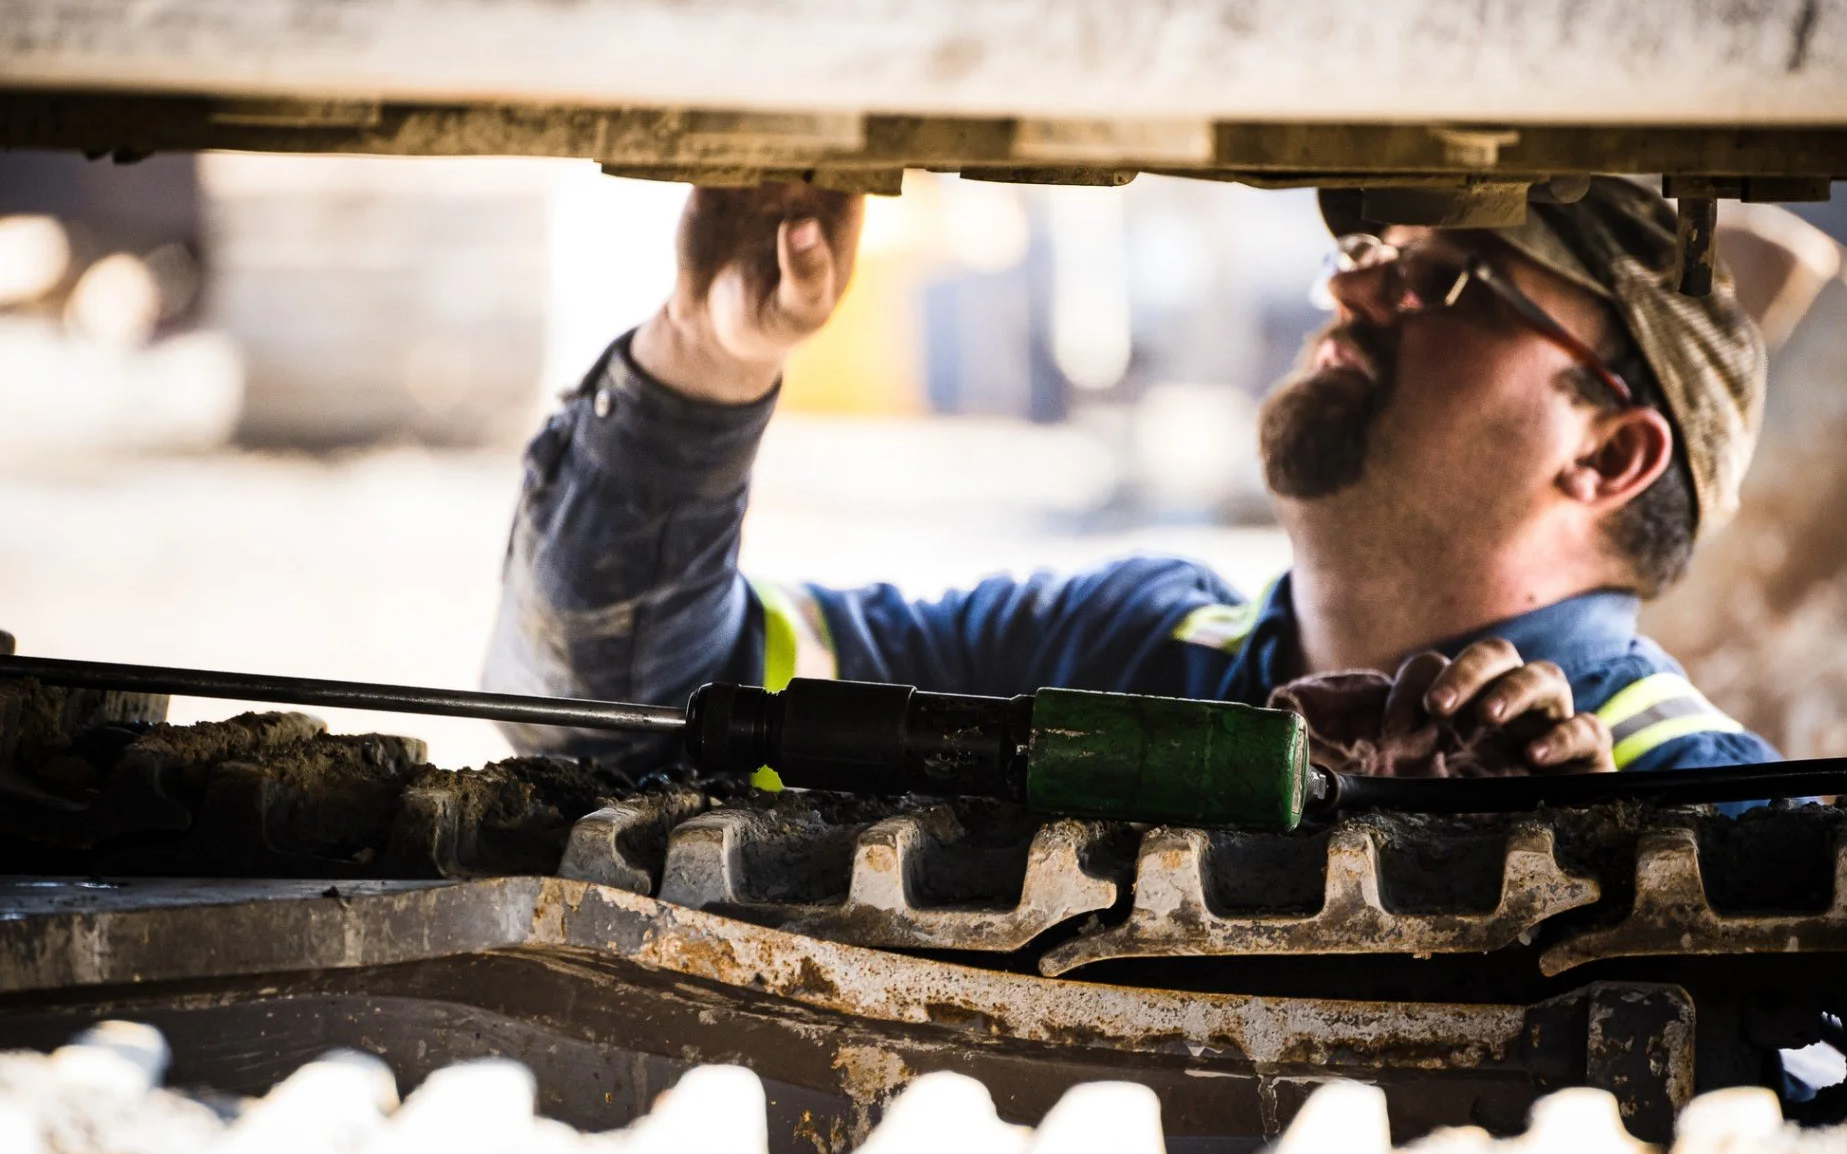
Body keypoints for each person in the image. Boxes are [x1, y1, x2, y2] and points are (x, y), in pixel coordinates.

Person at [484, 176, 1776, 780]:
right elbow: (622, 715)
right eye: (1373, 248)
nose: (1347, 283)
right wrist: (707, 356)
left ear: (1607, 450)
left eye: (1443, 280)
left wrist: (1578, 861)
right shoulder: (1122, 647)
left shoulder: (1697, 799)